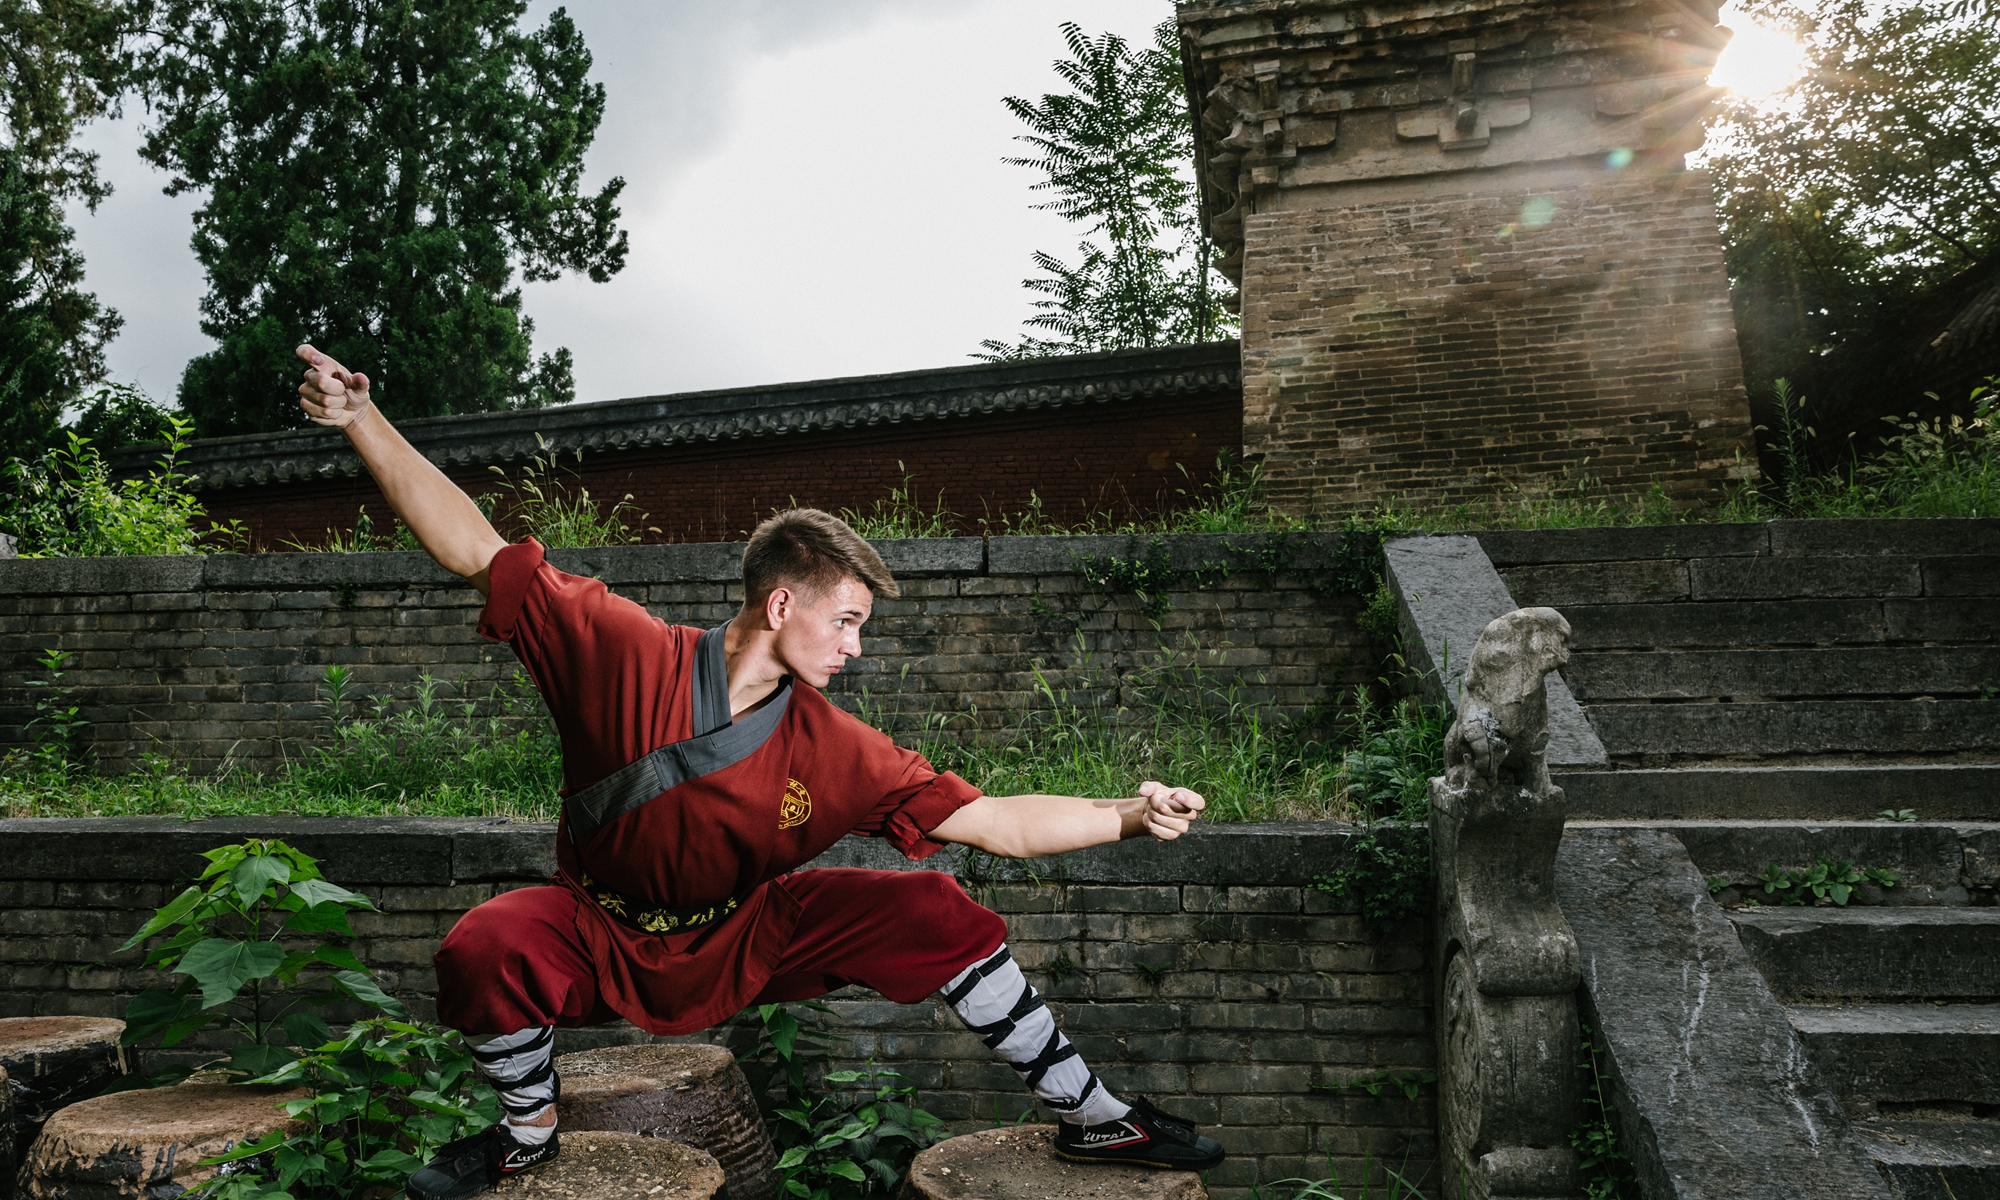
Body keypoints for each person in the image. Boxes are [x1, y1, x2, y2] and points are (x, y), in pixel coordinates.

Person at [292, 344, 1227, 1200]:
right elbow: (476, 549)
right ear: (782, 601)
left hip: (746, 935)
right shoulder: (618, 648)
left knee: (935, 908)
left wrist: (1131, 814)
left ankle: (1092, 1118)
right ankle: (527, 1134)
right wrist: (362, 421)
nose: (857, 647)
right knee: (485, 940)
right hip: (599, 928)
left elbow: (999, 824)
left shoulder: (841, 748)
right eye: (848, 621)